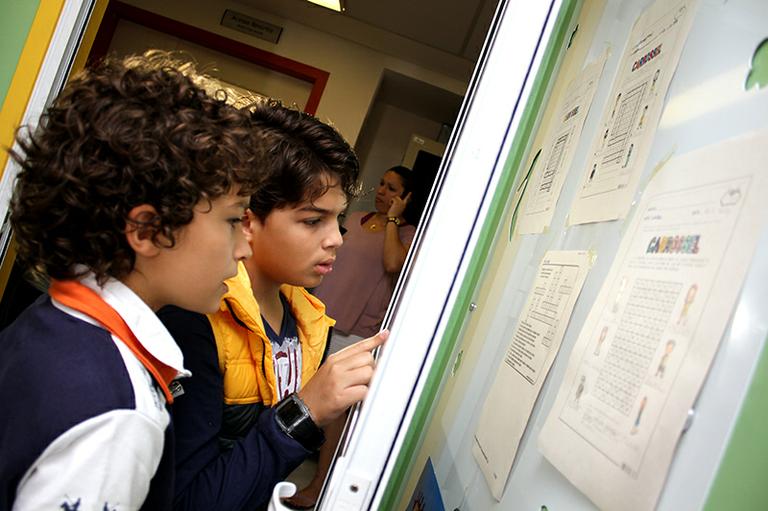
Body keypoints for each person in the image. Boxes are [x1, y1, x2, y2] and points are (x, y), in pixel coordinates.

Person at [0, 52, 263, 510]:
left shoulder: (50, 321)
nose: (244, 246)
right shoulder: (119, 415)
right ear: (146, 230)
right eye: (232, 220)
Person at [158, 100, 387, 510]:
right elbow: (184, 500)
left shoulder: (309, 320)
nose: (336, 239)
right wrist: (305, 412)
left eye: (339, 221)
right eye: (312, 220)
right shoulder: (196, 320)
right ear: (247, 219)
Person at [314, 165, 417, 353]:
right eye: (381, 184)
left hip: (355, 333)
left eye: (391, 189)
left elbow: (393, 264)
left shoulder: (409, 234)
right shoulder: (355, 218)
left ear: (406, 198)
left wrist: (393, 218)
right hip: (317, 315)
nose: (381, 191)